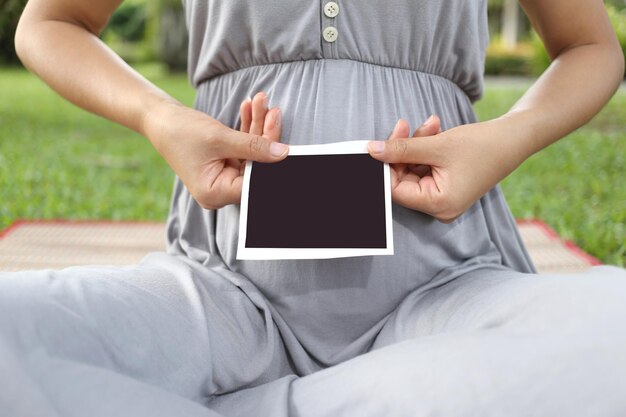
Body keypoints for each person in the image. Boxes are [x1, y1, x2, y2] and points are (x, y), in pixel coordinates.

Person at [2, 0, 625, 415]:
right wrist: (156, 115)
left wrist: (505, 136)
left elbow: (591, 46)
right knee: (17, 330)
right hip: (222, 296)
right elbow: (48, 22)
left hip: (448, 285)